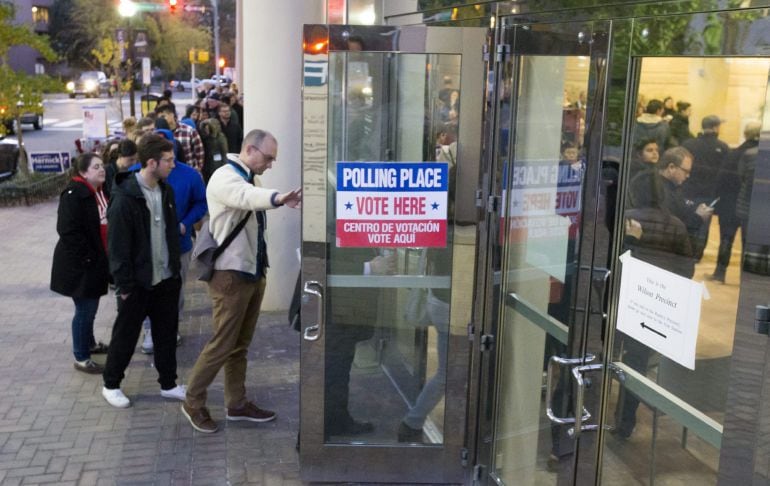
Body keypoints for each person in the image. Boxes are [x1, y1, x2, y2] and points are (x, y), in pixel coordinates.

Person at [181, 129, 301, 433]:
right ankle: (193, 401)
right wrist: (277, 198)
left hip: (250, 273)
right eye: (269, 157)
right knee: (222, 343)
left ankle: (236, 403)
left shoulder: (250, 176)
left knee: (239, 345)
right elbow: (246, 198)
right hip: (229, 276)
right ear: (250, 149)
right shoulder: (225, 177)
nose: (271, 164)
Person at [100, 133, 185, 408]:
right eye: (168, 160)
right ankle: (111, 384)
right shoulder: (125, 199)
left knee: (166, 334)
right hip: (136, 284)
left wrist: (174, 271)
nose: (173, 164)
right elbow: (118, 248)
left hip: (166, 279)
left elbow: (170, 231)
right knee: (125, 336)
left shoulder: (166, 190)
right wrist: (124, 286)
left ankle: (168, 384)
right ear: (151, 162)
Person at [140, 128, 207, 354]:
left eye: (171, 156)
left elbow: (201, 203)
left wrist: (185, 223)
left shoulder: (189, 175)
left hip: (179, 246)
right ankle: (150, 329)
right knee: (149, 289)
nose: (171, 163)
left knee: (174, 291)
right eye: (166, 158)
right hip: (147, 249)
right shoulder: (135, 176)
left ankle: (170, 327)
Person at [50, 153, 111, 374]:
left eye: (102, 165)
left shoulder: (98, 192)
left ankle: (90, 344)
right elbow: (67, 231)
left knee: (89, 308)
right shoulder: (74, 194)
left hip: (93, 260)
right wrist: (88, 257)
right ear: (84, 172)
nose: (102, 169)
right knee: (85, 309)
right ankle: (81, 357)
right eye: (96, 167)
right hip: (80, 264)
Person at [629, 146, 713, 257]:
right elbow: (668, 227)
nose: (688, 176)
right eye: (685, 171)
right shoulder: (656, 189)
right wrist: (698, 218)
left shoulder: (672, 186)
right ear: (671, 167)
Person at [709, 121, 761, 282]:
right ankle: (745, 278)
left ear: (745, 134)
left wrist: (717, 201)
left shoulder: (733, 154)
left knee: (726, 239)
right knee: (748, 245)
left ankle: (719, 273)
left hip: (730, 204)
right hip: (752, 207)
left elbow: (721, 180)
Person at [682, 115, 729, 259]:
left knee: (685, 219)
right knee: (703, 224)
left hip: (688, 190)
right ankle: (697, 254)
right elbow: (724, 173)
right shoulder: (723, 147)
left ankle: (684, 250)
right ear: (716, 127)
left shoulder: (688, 144)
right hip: (710, 192)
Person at [156, 104, 205, 172]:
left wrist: (197, 169)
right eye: (160, 118)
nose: (162, 120)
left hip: (189, 171)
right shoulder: (160, 134)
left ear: (172, 114)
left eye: (163, 116)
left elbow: (199, 152)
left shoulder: (189, 131)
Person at [199, 118, 229, 184]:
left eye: (208, 128)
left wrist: (224, 166)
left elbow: (224, 153)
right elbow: (201, 128)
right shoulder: (205, 137)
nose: (206, 130)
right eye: (205, 129)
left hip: (217, 165)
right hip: (207, 165)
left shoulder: (221, 137)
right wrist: (204, 123)